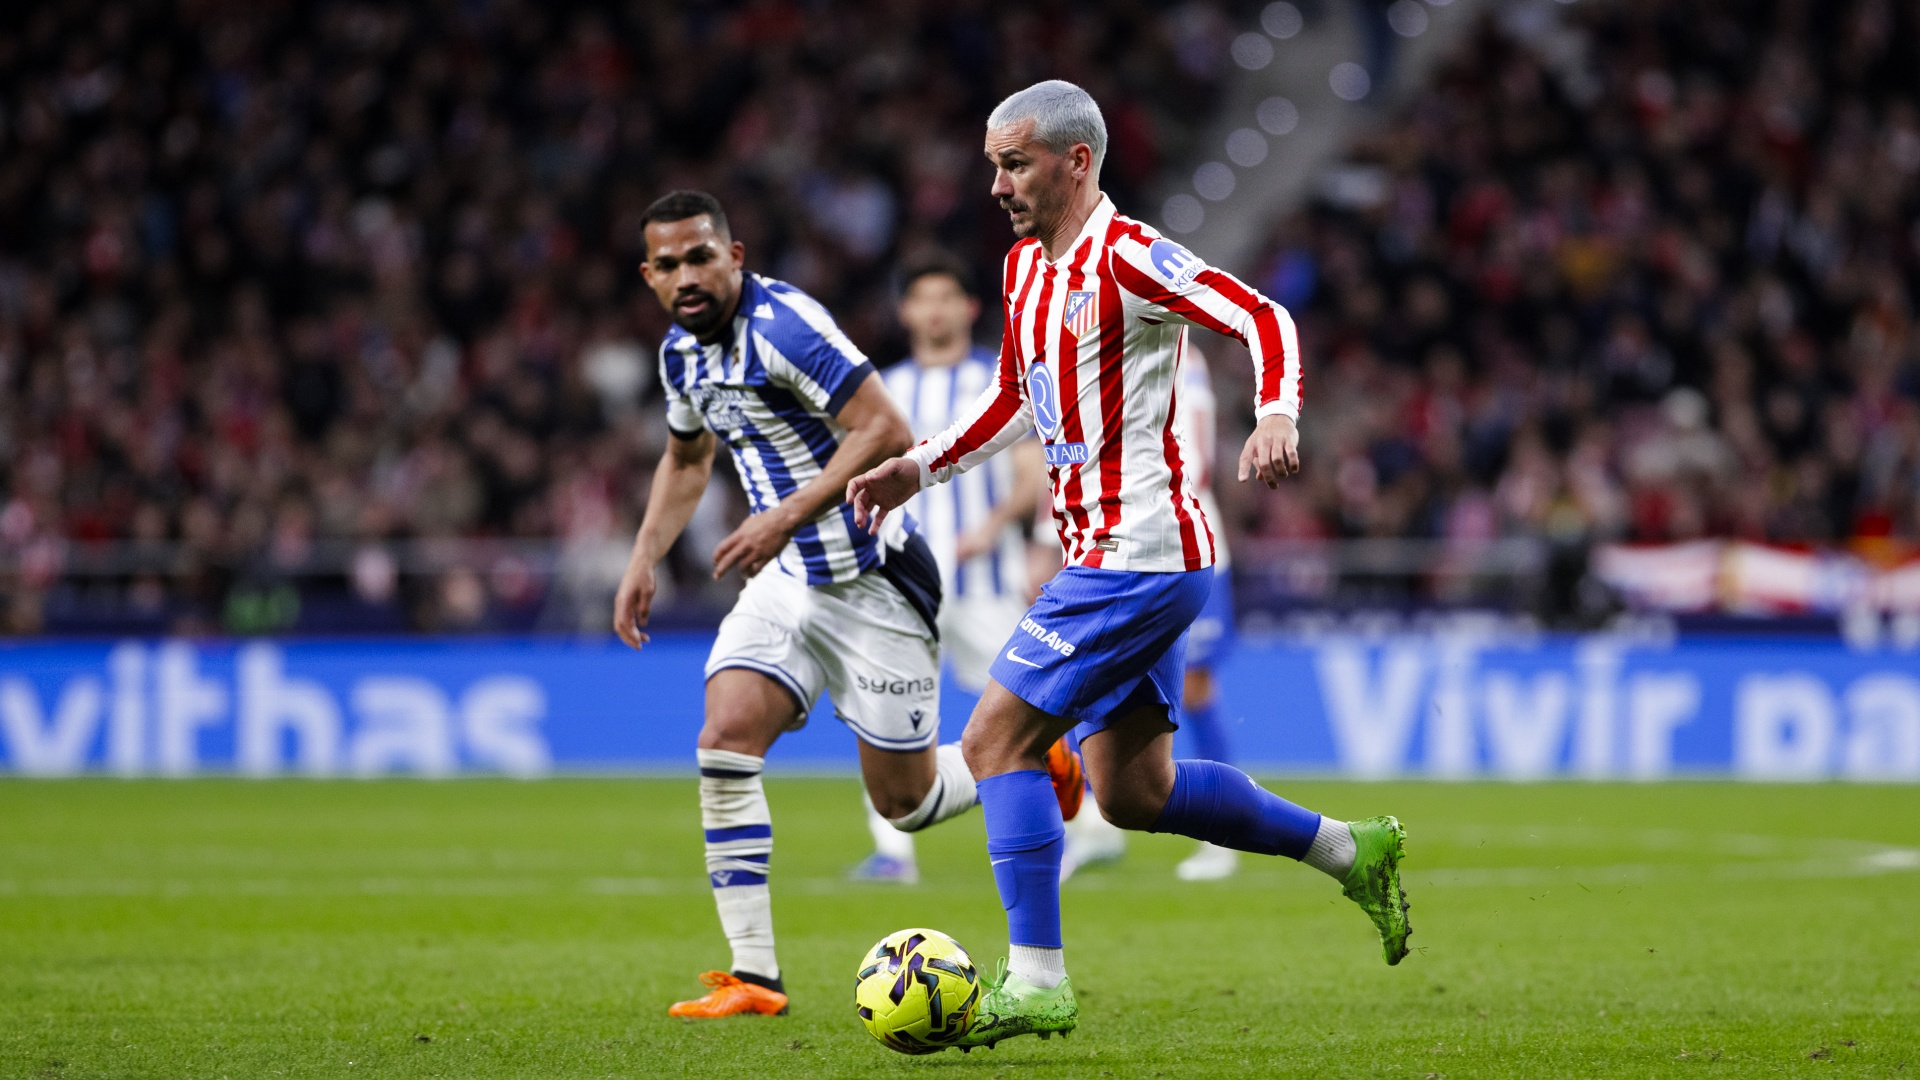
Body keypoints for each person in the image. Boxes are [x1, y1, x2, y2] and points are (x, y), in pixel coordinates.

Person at [846, 81, 1412, 1050]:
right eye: (991, 163)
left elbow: (1263, 317)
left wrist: (1278, 412)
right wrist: (921, 468)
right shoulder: (1025, 270)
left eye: (1013, 163)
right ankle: (1350, 849)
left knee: (995, 743)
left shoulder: (1131, 256)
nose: (996, 185)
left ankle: (1036, 982)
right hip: (1107, 555)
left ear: (1077, 162)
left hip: (1137, 556)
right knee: (1132, 791)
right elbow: (1015, 404)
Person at [612, 191, 1077, 1020]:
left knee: (906, 803)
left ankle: (1034, 758)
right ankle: (755, 975)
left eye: (701, 257)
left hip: (874, 580)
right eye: (670, 264)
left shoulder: (786, 325)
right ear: (649, 275)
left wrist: (782, 515)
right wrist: (643, 557)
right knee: (724, 736)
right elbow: (686, 463)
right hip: (787, 580)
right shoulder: (680, 356)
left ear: (735, 256)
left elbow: (884, 428)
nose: (687, 275)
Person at [851, 259, 1050, 885]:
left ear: (968, 308)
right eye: (921, 299)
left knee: (1032, 709)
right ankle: (892, 852)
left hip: (986, 580)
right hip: (901, 584)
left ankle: (1072, 826)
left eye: (946, 298)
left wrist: (992, 526)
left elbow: (1031, 472)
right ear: (905, 313)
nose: (934, 311)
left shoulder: (998, 380)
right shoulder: (883, 390)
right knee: (879, 711)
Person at [1058, 341, 1242, 883]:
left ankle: (1223, 833)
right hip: (1114, 546)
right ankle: (1096, 824)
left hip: (1184, 545)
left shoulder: (1177, 355)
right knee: (1087, 676)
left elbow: (1198, 462)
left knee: (1195, 687)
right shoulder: (1104, 346)